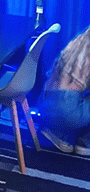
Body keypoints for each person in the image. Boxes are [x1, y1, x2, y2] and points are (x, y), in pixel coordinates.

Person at [38, 24, 90, 156]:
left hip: (44, 101)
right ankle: (85, 143)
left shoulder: (81, 39)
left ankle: (59, 133)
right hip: (66, 111)